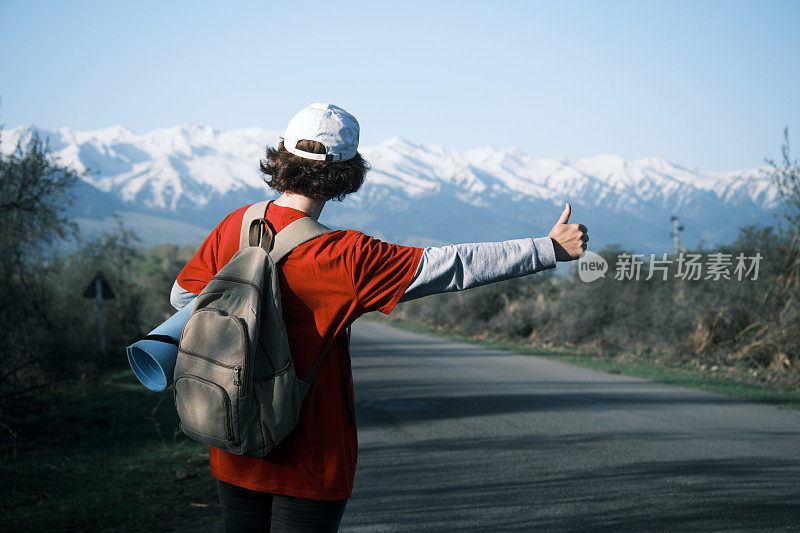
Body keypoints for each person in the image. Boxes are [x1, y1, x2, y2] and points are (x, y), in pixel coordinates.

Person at [170, 103, 588, 532]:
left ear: (282, 154)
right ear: (346, 173)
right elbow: (451, 266)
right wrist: (548, 248)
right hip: (310, 455)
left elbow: (183, 295)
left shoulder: (236, 224)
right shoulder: (347, 255)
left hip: (233, 438)